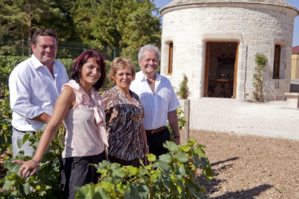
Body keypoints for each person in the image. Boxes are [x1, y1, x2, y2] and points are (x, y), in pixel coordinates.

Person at [12, 50, 108, 199]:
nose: (95, 72)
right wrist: (35, 160)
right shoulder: (70, 93)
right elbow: (52, 127)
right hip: (79, 162)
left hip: (99, 159)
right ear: (80, 67)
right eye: (90, 67)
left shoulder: (95, 95)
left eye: (99, 69)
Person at [9, 29, 69, 158]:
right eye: (44, 46)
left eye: (52, 47)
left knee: (53, 175)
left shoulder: (60, 67)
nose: (48, 50)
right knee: (30, 175)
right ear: (33, 47)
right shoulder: (22, 71)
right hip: (30, 136)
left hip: (56, 133)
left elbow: (66, 95)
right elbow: (19, 104)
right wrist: (53, 121)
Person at [130, 44, 180, 157]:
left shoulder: (166, 82)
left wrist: (177, 136)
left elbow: (171, 111)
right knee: (142, 172)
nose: (151, 63)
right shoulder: (132, 82)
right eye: (147, 60)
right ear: (139, 62)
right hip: (139, 138)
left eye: (155, 60)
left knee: (163, 172)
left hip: (162, 136)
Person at [102, 57, 149, 167]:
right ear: (114, 76)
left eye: (128, 74)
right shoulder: (108, 96)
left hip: (136, 155)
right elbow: (99, 125)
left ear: (132, 76)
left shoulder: (135, 97)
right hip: (115, 155)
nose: (125, 77)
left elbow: (140, 124)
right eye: (121, 74)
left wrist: (146, 148)